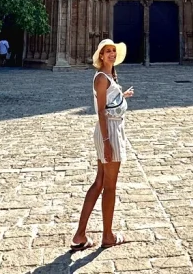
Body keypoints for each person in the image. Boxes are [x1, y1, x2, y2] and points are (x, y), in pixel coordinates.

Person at [70, 38, 134, 250]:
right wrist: (107, 142)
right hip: (110, 134)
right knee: (109, 186)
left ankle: (80, 235)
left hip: (110, 131)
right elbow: (100, 111)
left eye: (113, 51)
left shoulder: (108, 77)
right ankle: (107, 235)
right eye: (107, 51)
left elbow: (107, 102)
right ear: (100, 55)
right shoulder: (101, 77)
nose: (111, 54)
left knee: (99, 182)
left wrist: (122, 96)